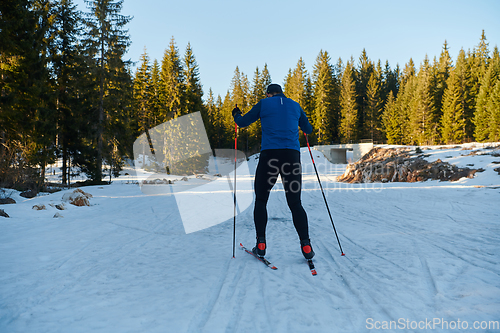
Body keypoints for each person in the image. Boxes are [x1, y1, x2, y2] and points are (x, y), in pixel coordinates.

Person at [232, 83, 315, 260]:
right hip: (291, 157)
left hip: (270, 156)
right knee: (295, 203)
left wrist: (236, 113)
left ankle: (261, 244)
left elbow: (242, 122)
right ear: (282, 93)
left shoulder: (264, 103)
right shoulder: (295, 105)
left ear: (269, 94)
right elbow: (308, 129)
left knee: (261, 200)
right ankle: (306, 245)